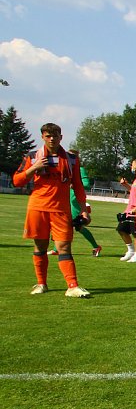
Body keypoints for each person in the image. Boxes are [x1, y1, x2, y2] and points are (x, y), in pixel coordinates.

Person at [12, 122, 91, 297]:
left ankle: (72, 286)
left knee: (64, 246)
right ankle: (41, 284)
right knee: (40, 245)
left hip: (61, 210)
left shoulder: (71, 159)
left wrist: (84, 209)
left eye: (55, 136)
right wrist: (34, 168)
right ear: (42, 137)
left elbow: (78, 185)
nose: (52, 139)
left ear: (61, 137)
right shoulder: (33, 157)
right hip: (37, 207)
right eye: (48, 136)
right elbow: (17, 181)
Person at [117, 158, 136, 262]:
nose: (131, 167)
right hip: (129, 210)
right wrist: (126, 185)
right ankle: (130, 250)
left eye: (132, 164)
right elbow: (134, 192)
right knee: (121, 229)